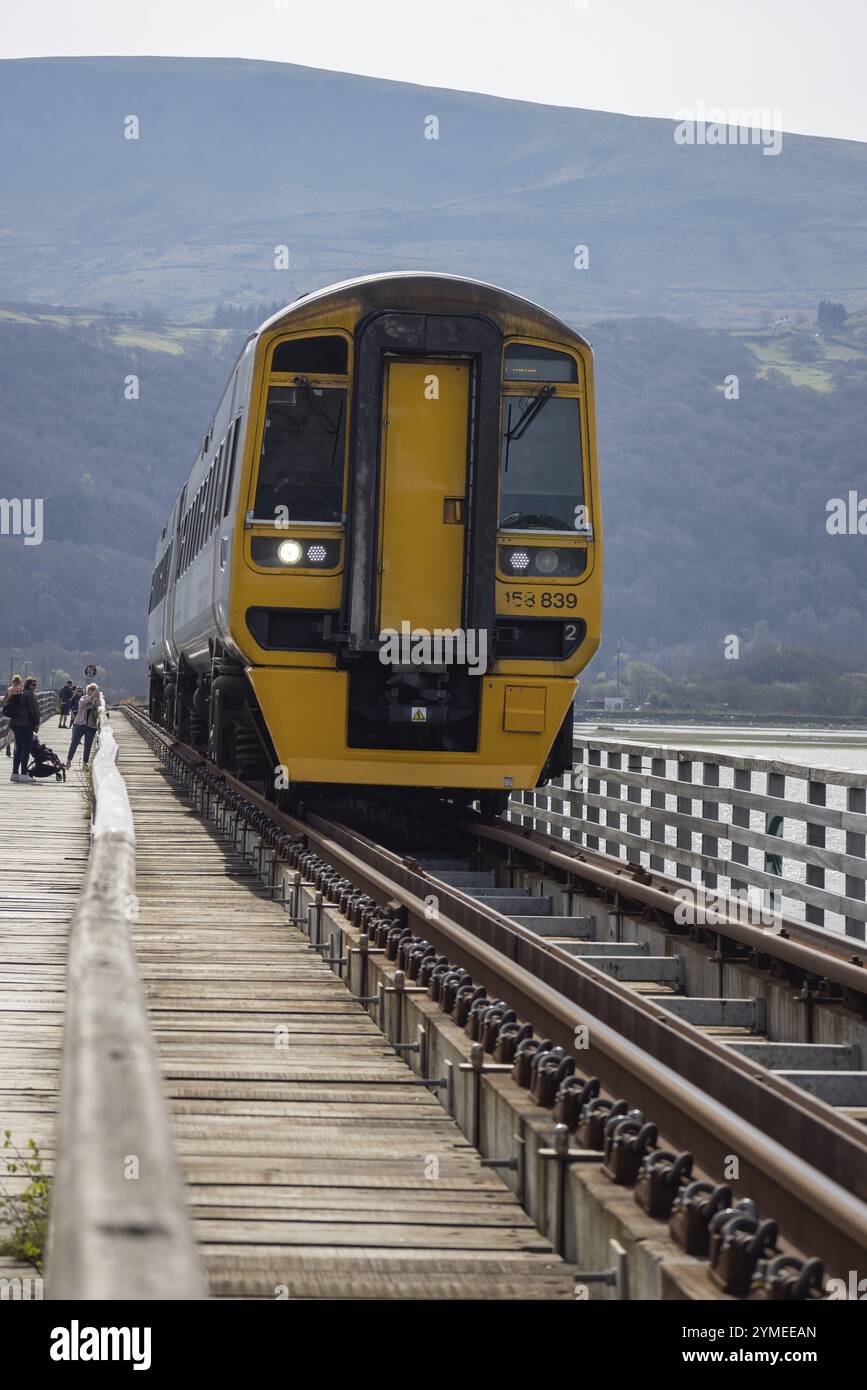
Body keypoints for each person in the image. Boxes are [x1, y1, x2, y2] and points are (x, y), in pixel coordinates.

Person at [8, 676, 40, 783]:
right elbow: (33, 710)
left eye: (36, 685)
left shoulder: (21, 693)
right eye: (33, 684)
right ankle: (23, 774)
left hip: (15, 724)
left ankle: (15, 773)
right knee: (26, 748)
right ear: (28, 685)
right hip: (25, 725)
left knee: (19, 749)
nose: (35, 687)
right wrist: (36, 723)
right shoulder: (30, 694)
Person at [66, 683, 101, 769]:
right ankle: (68, 761)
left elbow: (100, 709)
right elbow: (82, 704)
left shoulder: (97, 700)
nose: (92, 691)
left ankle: (85, 763)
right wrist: (92, 697)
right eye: (91, 689)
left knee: (88, 745)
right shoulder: (83, 698)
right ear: (87, 690)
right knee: (74, 743)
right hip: (79, 724)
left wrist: (98, 700)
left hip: (91, 726)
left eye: (94, 689)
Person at [3, 675, 22, 757]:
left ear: (13, 682)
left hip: (8, 712)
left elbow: (4, 700)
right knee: (16, 732)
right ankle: (15, 749)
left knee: (10, 731)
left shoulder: (9, 689)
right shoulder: (20, 690)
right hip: (17, 713)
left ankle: (8, 745)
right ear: (20, 682)